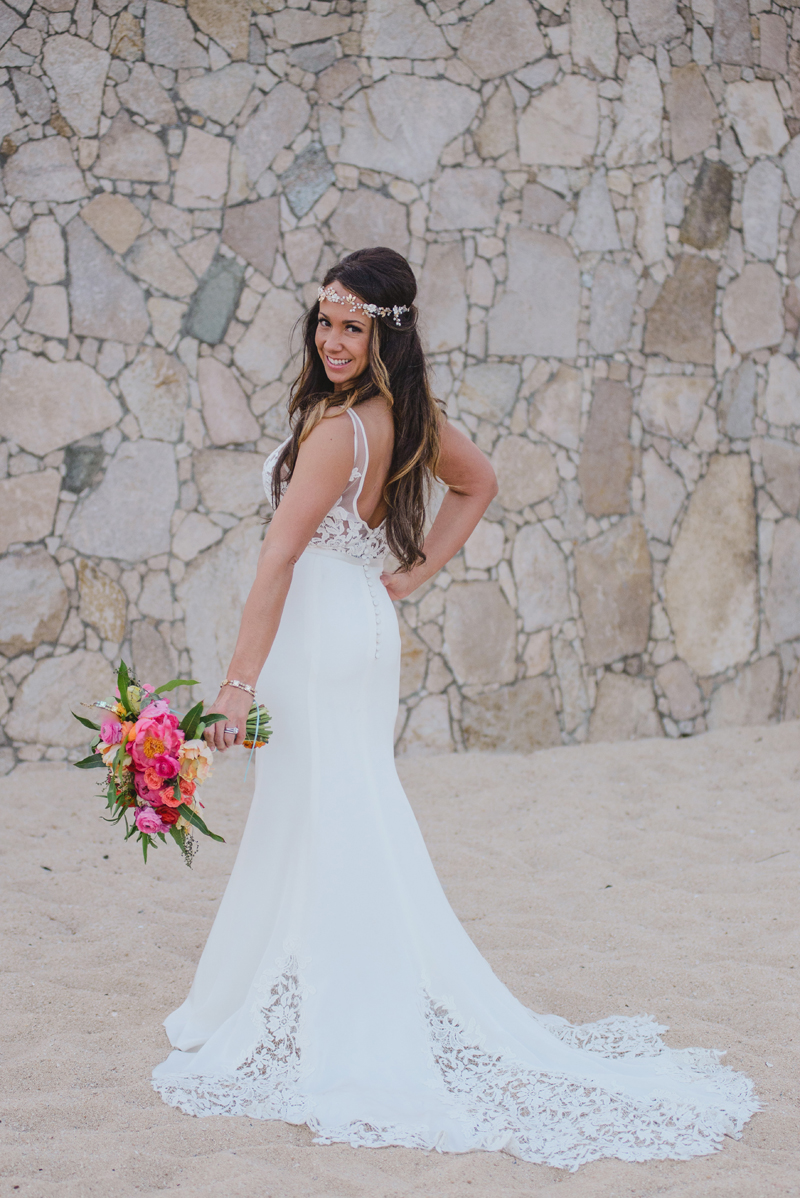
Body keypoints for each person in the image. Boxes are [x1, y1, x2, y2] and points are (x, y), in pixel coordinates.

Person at [152, 247, 758, 1168]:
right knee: (336, 806)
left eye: (354, 326)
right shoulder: (403, 415)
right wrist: (403, 578)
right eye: (325, 321)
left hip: (322, 639)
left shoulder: (339, 431)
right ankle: (319, 982)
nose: (334, 339)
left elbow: (279, 556)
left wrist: (236, 683)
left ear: (387, 332)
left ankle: (349, 1005)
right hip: (351, 623)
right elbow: (480, 483)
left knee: (334, 809)